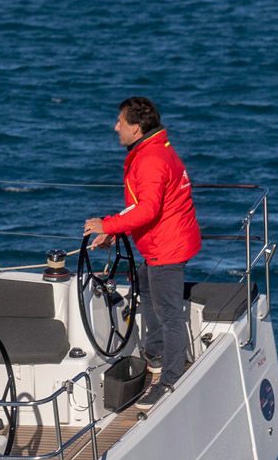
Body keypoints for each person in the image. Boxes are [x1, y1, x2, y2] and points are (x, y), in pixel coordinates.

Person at [83, 96, 201, 408]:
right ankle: (156, 354)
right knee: (146, 287)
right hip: (166, 241)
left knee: (170, 314)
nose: (115, 127)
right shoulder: (155, 148)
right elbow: (143, 206)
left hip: (167, 247)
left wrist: (107, 225)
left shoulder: (149, 160)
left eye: (120, 122)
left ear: (136, 128)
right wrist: (115, 231)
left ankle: (170, 380)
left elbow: (147, 210)